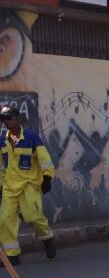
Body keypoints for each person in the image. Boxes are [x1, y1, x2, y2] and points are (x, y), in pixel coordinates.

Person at [0, 105, 56, 265]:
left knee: (33, 216)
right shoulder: (2, 140)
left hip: (28, 184)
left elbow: (44, 158)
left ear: (18, 118)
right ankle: (12, 254)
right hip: (10, 186)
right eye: (3, 119)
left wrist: (47, 178)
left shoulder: (31, 137)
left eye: (9, 118)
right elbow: (2, 166)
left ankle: (47, 238)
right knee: (5, 220)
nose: (6, 122)